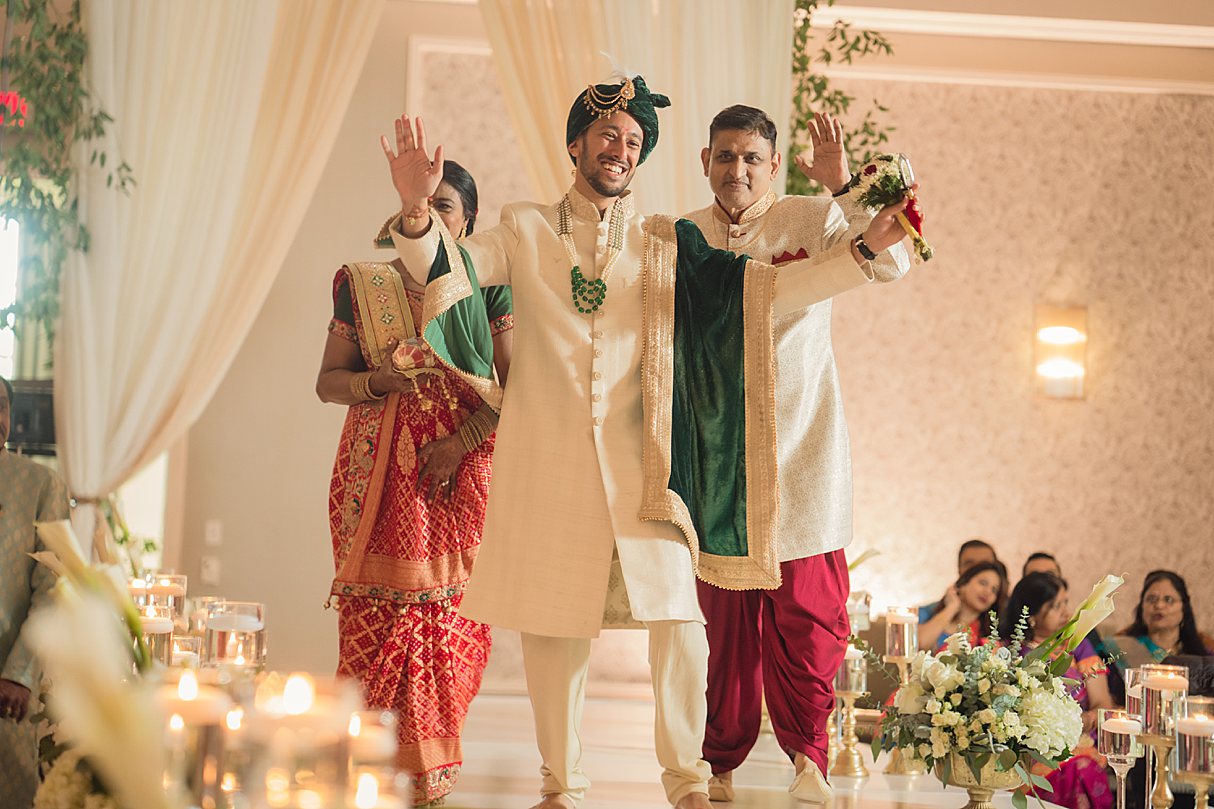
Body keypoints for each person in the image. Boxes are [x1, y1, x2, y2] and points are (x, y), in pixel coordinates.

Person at [380, 74, 913, 809]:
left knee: (681, 623)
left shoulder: (667, 240)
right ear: (576, 145)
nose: (620, 150)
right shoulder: (525, 228)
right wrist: (416, 210)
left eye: (633, 141)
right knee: (554, 630)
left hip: (649, 471)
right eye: (606, 137)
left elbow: (759, 294)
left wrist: (856, 258)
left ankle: (687, 781)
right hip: (552, 464)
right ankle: (561, 784)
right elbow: (456, 268)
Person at [681, 105, 910, 804]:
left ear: (774, 164)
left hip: (805, 449)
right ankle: (716, 759)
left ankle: (808, 755)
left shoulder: (812, 221)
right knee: (724, 628)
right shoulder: (686, 235)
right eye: (725, 156)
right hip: (721, 458)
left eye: (752, 157)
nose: (738, 169)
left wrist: (843, 187)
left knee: (810, 622)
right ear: (706, 161)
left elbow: (892, 261)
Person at [317, 160, 512, 807]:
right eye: (425, 204)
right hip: (374, 484)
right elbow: (329, 381)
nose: (433, 214)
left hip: (460, 485)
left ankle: (431, 784)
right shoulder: (363, 284)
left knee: (453, 633)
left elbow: (516, 389)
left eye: (447, 205)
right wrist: (381, 382)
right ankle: (364, 776)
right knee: (375, 630)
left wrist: (457, 444)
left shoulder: (489, 287)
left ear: (468, 223)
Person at [0, 375, 69, 808]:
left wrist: (19, 673)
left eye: (1, 406)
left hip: (7, 686)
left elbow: (54, 587)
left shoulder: (42, 485)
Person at [999, 573, 1115, 809]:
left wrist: (1088, 718)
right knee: (1076, 769)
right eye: (1055, 606)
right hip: (1030, 751)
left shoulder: (1078, 645)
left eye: (1065, 602)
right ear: (1031, 616)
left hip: (1079, 744)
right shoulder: (1009, 653)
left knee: (1080, 768)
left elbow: (1102, 700)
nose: (1065, 612)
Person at [1113, 571, 1214, 664]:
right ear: (1142, 606)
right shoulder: (1120, 651)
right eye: (1152, 599)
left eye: (1168, 600)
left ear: (1184, 607)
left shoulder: (1204, 654)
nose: (1159, 605)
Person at [919, 560, 1007, 650]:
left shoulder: (986, 640)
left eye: (994, 590)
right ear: (963, 583)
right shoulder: (925, 614)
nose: (987, 592)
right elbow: (919, 644)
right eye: (983, 583)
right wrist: (951, 607)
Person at [917, 538, 999, 622]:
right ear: (959, 569)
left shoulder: (1002, 621)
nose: (976, 571)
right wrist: (951, 608)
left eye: (984, 565)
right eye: (970, 564)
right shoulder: (925, 614)